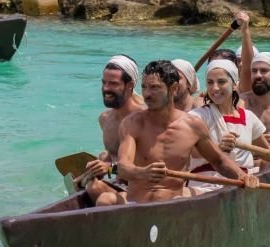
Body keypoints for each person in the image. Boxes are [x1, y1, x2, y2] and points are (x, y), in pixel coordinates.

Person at [92, 60, 257, 206]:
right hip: (136, 203)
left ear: (174, 88)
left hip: (173, 206)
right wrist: (142, 173)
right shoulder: (132, 123)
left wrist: (243, 177)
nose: (147, 94)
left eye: (155, 88)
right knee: (103, 199)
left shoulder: (193, 125)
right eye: (144, 87)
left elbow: (219, 161)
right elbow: (123, 167)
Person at [190, 59, 270, 175]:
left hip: (243, 181)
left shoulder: (249, 117)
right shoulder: (197, 116)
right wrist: (218, 148)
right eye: (210, 82)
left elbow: (267, 152)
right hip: (206, 183)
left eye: (221, 82)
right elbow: (192, 153)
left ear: (235, 84)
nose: (215, 88)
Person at [81, 55, 146, 203]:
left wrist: (109, 168)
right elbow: (112, 157)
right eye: (104, 83)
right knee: (93, 186)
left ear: (130, 85)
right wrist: (94, 170)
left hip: (144, 188)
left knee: (100, 195)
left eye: (113, 84)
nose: (106, 89)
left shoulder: (145, 118)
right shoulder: (104, 119)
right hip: (121, 184)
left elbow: (150, 164)